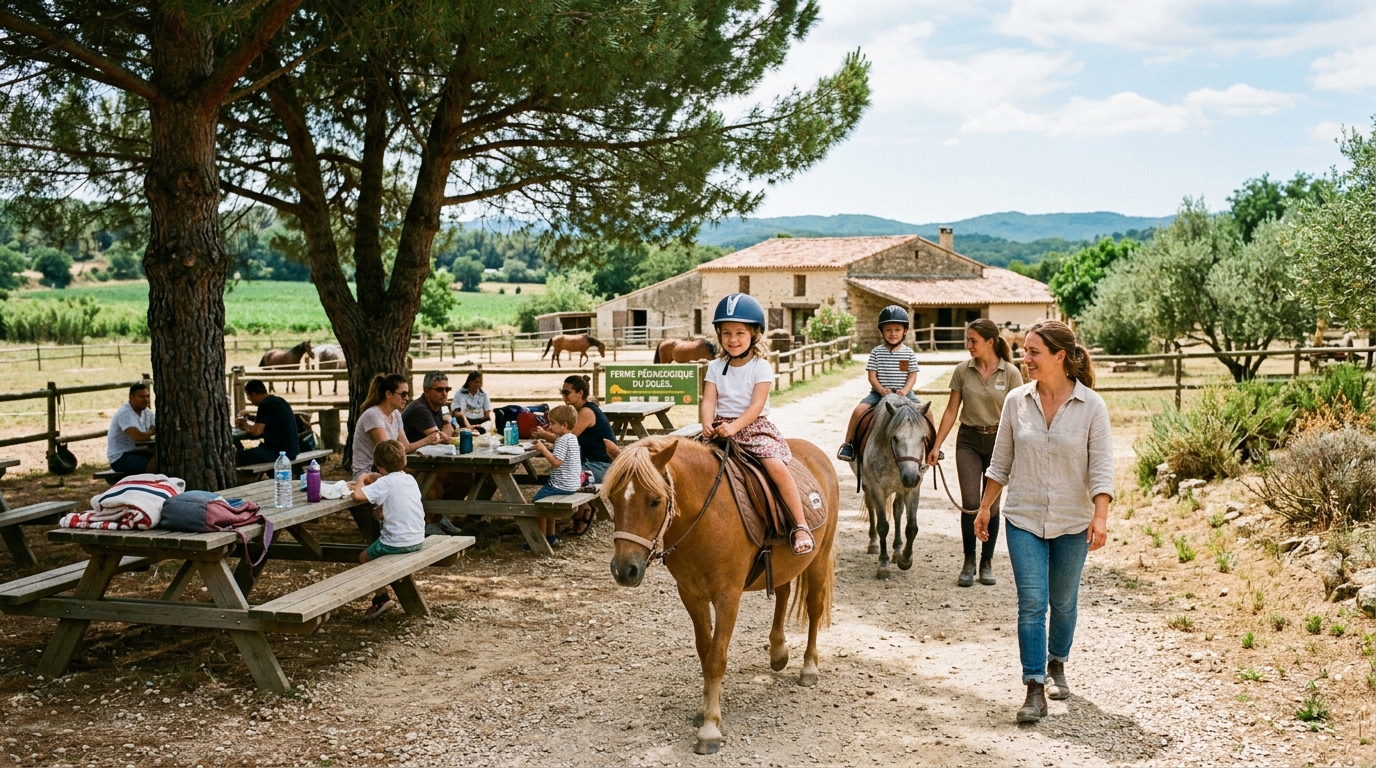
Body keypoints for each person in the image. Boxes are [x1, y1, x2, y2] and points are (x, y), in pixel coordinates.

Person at [974, 319, 1112, 724]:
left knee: (1063, 602)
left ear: (1059, 356)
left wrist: (1100, 516)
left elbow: (1102, 467)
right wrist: (985, 508)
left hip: (1073, 520)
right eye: (1025, 351)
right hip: (1024, 518)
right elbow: (1001, 462)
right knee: (1032, 603)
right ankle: (1034, 687)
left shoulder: (1092, 406)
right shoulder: (1016, 401)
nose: (1025, 358)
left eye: (1034, 352)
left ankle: (1057, 663)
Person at [700, 293, 814, 555]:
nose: (733, 339)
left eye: (740, 332)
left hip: (752, 427)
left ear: (754, 335)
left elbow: (757, 405)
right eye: (726, 332)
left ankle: (799, 524)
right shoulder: (715, 366)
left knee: (775, 466)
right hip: (720, 426)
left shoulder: (760, 367)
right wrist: (707, 423)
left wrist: (735, 427)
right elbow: (708, 400)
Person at [926, 318, 1024, 587]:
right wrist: (936, 445)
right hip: (968, 440)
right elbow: (950, 410)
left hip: (999, 443)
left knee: (991, 506)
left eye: (973, 341)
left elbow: (1019, 415)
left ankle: (986, 562)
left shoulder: (1011, 373)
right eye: (967, 340)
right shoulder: (962, 371)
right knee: (971, 504)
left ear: (990, 342)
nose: (968, 345)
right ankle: (969, 561)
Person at [533, 373, 619, 535]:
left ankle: (583, 508)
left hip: (600, 466)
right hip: (592, 463)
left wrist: (543, 435)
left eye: (567, 392)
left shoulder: (586, 412)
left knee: (562, 476)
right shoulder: (582, 410)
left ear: (580, 393)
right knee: (560, 474)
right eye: (562, 392)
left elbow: (566, 437)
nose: (563, 396)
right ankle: (573, 513)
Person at [351, 440, 426, 618]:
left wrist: (361, 478)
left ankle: (381, 598)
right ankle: (384, 594)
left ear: (380, 466)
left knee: (364, 558)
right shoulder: (410, 479)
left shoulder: (385, 483)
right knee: (379, 549)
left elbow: (358, 496)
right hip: (417, 539)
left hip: (396, 543)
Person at [837, 305, 920, 461]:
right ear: (882, 331)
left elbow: (912, 376)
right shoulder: (876, 352)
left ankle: (933, 446)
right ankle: (848, 444)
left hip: (905, 393)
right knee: (858, 410)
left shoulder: (908, 353)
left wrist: (905, 390)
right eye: (888, 330)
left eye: (897, 329)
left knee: (926, 413)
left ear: (905, 331)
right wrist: (881, 390)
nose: (893, 333)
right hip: (879, 394)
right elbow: (872, 376)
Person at [352, 373, 441, 482]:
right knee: (428, 487)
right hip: (369, 473)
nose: (407, 398)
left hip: (389, 470)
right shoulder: (373, 415)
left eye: (407, 394)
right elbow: (389, 454)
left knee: (435, 482)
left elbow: (405, 447)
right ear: (388, 394)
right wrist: (427, 440)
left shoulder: (396, 414)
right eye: (403, 394)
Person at [529, 404, 581, 551]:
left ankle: (539, 539)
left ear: (564, 425)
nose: (549, 427)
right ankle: (550, 536)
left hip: (561, 485)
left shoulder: (561, 440)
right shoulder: (571, 438)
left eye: (552, 423)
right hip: (572, 484)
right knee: (548, 505)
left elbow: (556, 462)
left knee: (537, 503)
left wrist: (543, 449)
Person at [235, 379, 300, 465]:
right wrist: (250, 417)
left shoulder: (265, 404)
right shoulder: (279, 400)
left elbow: (256, 432)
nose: (249, 400)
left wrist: (244, 426)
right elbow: (269, 420)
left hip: (279, 453)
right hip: (292, 451)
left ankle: (245, 477)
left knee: (238, 456)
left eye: (249, 397)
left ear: (253, 394)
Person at [107, 382, 156, 474]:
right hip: (121, 457)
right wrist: (151, 432)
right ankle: (149, 485)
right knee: (155, 463)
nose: (146, 400)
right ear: (131, 397)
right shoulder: (125, 413)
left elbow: (156, 427)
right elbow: (138, 437)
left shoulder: (147, 412)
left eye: (147, 396)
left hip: (138, 452)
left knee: (164, 458)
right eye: (141, 397)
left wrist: (150, 432)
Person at [403, 371, 456, 445]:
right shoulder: (419, 409)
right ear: (427, 392)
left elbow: (450, 430)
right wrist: (447, 425)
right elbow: (438, 438)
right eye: (439, 390)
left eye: (447, 389)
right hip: (411, 455)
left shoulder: (439, 406)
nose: (444, 394)